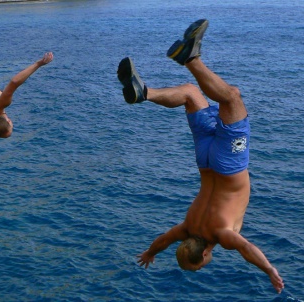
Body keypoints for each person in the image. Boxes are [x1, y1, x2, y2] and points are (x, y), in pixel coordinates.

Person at [117, 19, 284, 293]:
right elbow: (163, 240)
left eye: (203, 264)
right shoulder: (185, 228)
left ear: (204, 254)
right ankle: (145, 93)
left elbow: (248, 249)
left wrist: (270, 271)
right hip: (205, 162)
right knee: (190, 94)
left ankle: (190, 58)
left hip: (229, 164)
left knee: (231, 98)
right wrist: (149, 253)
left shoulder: (221, 235)